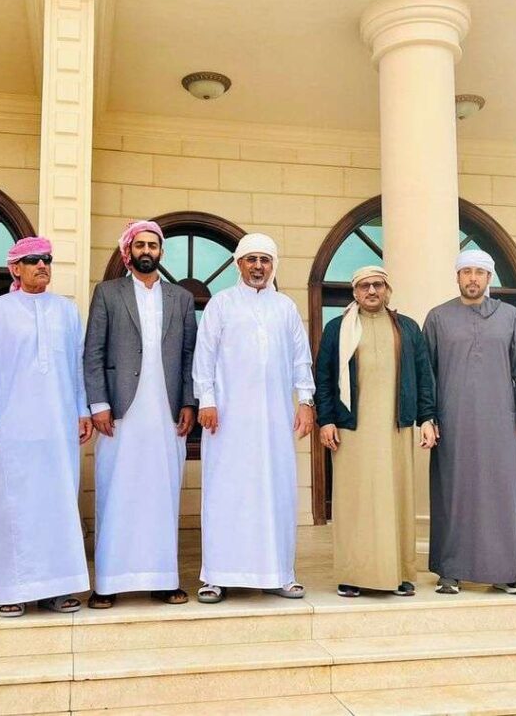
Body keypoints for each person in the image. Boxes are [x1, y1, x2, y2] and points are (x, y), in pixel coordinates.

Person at [0, 236, 92, 617]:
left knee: (57, 507)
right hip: (9, 430)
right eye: (34, 260)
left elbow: (78, 367)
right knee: (12, 509)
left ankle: (58, 589)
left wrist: (82, 411)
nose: (42, 266)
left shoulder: (67, 311)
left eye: (47, 260)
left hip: (58, 429)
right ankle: (11, 590)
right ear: (15, 268)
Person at [192, 233, 315, 603]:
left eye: (264, 260)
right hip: (227, 420)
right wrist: (206, 400)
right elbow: (204, 356)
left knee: (275, 491)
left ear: (273, 265)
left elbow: (300, 358)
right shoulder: (221, 304)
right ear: (239, 264)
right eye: (251, 259)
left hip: (275, 420)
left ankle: (278, 573)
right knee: (225, 492)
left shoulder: (285, 307)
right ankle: (216, 576)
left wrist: (305, 400)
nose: (258, 266)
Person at [83, 220, 197, 609]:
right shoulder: (107, 293)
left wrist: (189, 402)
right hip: (119, 413)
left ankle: (163, 580)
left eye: (153, 245)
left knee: (162, 492)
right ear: (127, 252)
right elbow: (93, 351)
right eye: (140, 245)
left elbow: (189, 355)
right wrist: (99, 404)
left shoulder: (181, 298)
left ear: (161, 252)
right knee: (116, 490)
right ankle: (108, 583)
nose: (147, 251)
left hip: (166, 411)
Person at [315, 266, 437, 598]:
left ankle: (399, 574)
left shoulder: (407, 327)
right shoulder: (337, 328)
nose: (372, 291)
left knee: (396, 500)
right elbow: (323, 378)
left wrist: (427, 418)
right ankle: (353, 574)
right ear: (354, 292)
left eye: (378, 285)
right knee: (354, 503)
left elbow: (424, 376)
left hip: (395, 427)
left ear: (387, 290)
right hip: (351, 430)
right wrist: (326, 420)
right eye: (365, 286)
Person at [423, 249, 516, 595]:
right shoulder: (438, 317)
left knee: (501, 493)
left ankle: (504, 572)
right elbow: (426, 373)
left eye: (479, 272)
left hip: (500, 421)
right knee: (453, 493)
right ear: (457, 276)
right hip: (452, 420)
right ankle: (450, 571)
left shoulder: (510, 316)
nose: (472, 278)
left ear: (489, 278)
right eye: (466, 272)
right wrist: (428, 417)